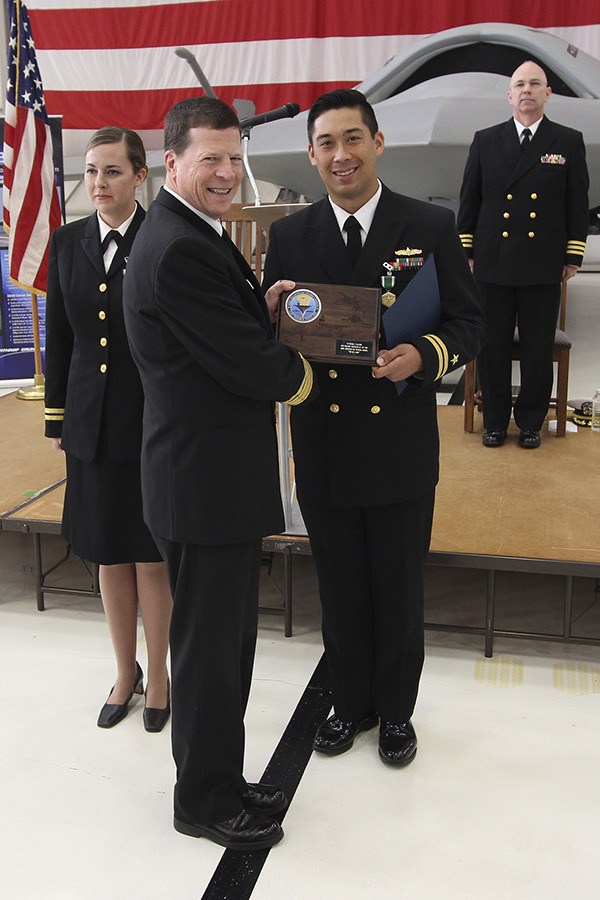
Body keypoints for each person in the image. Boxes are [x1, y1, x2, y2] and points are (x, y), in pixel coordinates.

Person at [263, 89, 484, 768]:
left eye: (352, 139)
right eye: (326, 143)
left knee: (396, 584)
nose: (340, 155)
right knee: (341, 584)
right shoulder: (291, 235)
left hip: (399, 444)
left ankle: (395, 714)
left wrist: (425, 356)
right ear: (311, 155)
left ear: (378, 143)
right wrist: (264, 310)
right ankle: (350, 703)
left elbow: (469, 323)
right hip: (325, 442)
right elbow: (275, 342)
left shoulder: (429, 225)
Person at [122, 97, 317, 851]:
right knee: (206, 655)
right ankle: (202, 801)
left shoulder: (190, 233)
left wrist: (260, 306)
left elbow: (220, 330)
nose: (227, 173)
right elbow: (250, 365)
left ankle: (224, 778)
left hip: (210, 482)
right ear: (170, 161)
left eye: (235, 158)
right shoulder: (177, 246)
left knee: (227, 646)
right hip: (202, 486)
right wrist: (305, 372)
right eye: (210, 158)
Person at [44, 127, 172, 733]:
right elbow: (62, 337)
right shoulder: (67, 242)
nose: (99, 183)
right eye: (91, 172)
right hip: (91, 426)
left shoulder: (161, 237)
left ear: (140, 175)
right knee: (106, 557)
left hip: (149, 422)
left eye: (112, 172)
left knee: (149, 556)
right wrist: (57, 415)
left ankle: (161, 675)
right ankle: (126, 672)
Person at [457, 60, 589, 449]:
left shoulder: (566, 141)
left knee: (537, 347)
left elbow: (575, 204)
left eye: (535, 84)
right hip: (492, 261)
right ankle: (495, 421)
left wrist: (573, 256)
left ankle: (531, 421)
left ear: (548, 93)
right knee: (491, 347)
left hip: (542, 263)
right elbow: (471, 200)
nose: (527, 90)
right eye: (520, 84)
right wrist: (467, 249)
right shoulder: (486, 139)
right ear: (509, 95)